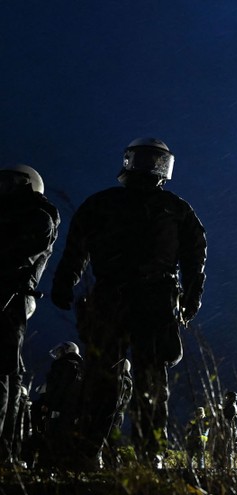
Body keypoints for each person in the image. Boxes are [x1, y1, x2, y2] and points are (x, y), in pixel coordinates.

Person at [51, 138, 206, 470]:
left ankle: (134, 452)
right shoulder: (158, 207)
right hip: (123, 298)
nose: (150, 166)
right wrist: (64, 282)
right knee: (116, 378)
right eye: (146, 159)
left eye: (155, 159)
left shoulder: (171, 209)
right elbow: (76, 249)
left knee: (135, 379)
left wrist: (190, 298)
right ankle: (103, 451)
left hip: (142, 299)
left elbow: (196, 258)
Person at [0, 164, 60, 466]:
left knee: (4, 368)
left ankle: (5, 449)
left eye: (9, 182)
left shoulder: (39, 217)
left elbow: (20, 257)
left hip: (12, 296)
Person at [41, 341, 84, 467]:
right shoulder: (81, 367)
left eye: (61, 351)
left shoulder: (61, 364)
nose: (58, 353)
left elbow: (55, 387)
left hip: (58, 408)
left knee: (52, 438)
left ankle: (48, 465)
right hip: (72, 410)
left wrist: (47, 403)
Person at [210, 391, 237, 469]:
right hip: (224, 429)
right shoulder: (229, 406)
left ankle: (224, 466)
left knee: (224, 449)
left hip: (226, 430)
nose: (226, 399)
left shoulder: (232, 407)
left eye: (227, 398)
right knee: (220, 448)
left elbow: (225, 416)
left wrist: (220, 410)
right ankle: (220, 465)